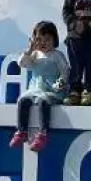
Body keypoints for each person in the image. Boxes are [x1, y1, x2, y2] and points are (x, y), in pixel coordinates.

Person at [10, 21, 69, 152]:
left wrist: (61, 82)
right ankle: (22, 130)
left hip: (51, 89)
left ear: (54, 39)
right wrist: (29, 50)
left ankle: (43, 133)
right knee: (23, 100)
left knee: (43, 102)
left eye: (47, 39)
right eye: (39, 39)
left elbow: (65, 70)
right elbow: (22, 63)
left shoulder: (57, 56)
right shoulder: (35, 55)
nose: (43, 43)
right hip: (35, 88)